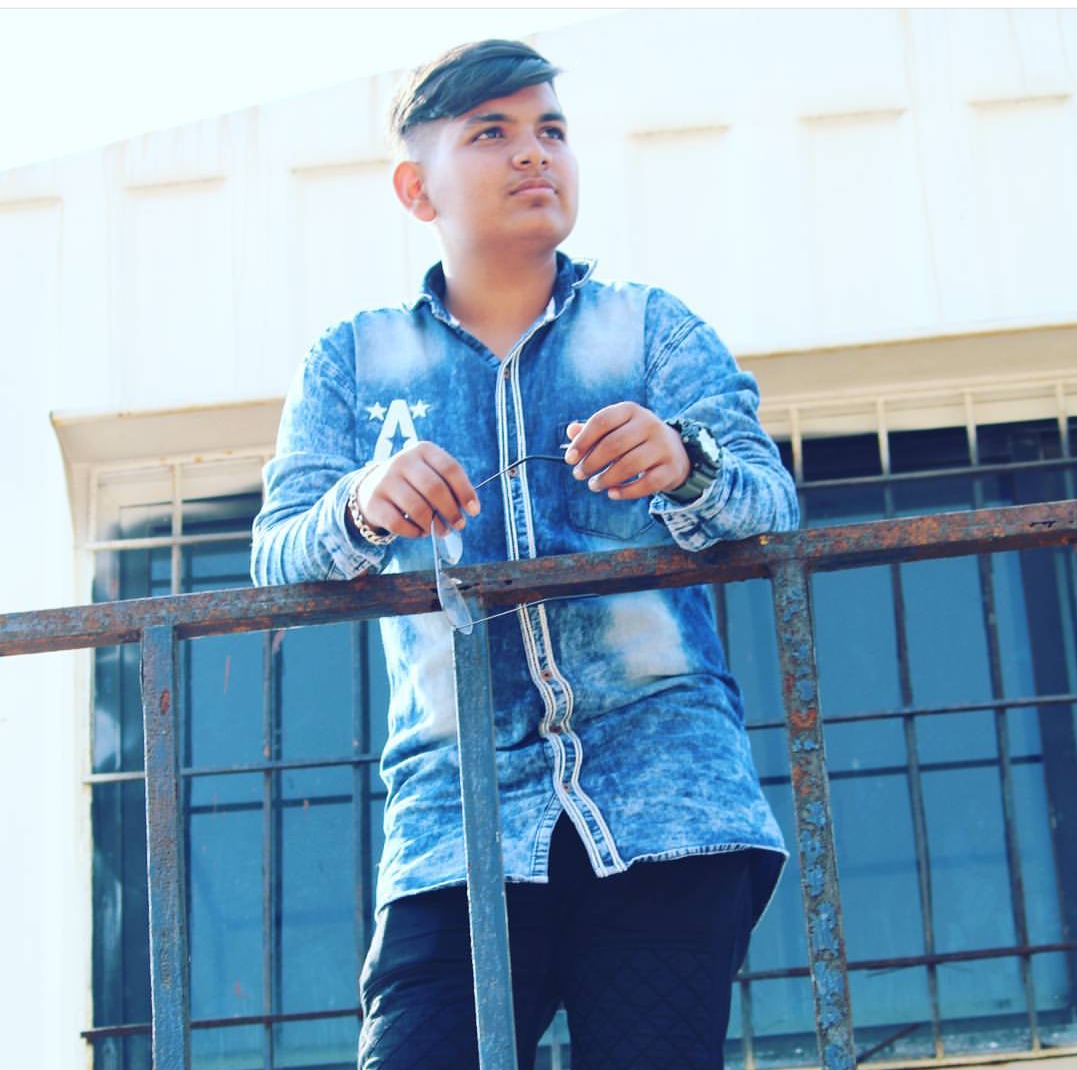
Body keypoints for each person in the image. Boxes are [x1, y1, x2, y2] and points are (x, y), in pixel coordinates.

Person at [251, 38, 799, 1070]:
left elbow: (774, 509)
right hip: (453, 825)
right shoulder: (352, 359)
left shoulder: (651, 329)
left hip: (665, 799)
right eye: (490, 133)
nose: (533, 152)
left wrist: (687, 463)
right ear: (417, 188)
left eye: (551, 129)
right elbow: (277, 558)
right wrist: (361, 506)